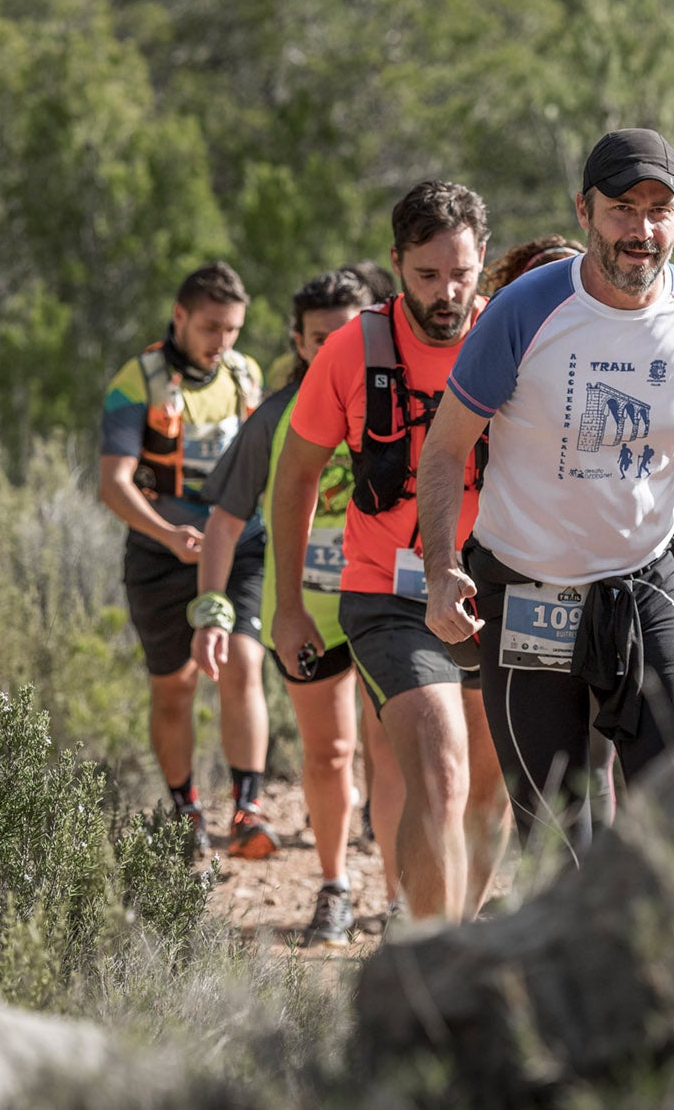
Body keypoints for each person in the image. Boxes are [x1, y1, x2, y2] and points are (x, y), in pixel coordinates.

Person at [417, 128, 674, 858]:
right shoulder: (525, 310)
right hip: (526, 590)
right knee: (560, 843)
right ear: (585, 210)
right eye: (623, 207)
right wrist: (441, 567)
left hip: (641, 583)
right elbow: (444, 449)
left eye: (660, 209)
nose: (642, 229)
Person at [270, 181, 513, 924]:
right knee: (439, 770)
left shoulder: (512, 339)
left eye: (463, 274)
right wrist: (286, 606)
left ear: (484, 263)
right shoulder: (351, 351)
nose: (447, 294)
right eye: (427, 275)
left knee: (486, 789)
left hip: (498, 587)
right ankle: (423, 957)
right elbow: (297, 474)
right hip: (388, 593)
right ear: (397, 262)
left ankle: (458, 944)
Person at [192, 267, 395, 946]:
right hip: (304, 613)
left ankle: (397, 896)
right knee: (329, 753)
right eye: (317, 338)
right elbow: (224, 520)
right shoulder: (276, 416)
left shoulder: (401, 401)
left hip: (389, 601)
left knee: (388, 753)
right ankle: (335, 885)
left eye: (347, 332)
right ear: (299, 342)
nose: (333, 348)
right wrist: (212, 613)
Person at [99, 261, 273, 858]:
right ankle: (185, 809)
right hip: (161, 556)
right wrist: (168, 533)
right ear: (179, 317)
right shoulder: (137, 380)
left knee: (242, 666)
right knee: (175, 687)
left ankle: (247, 808)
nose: (221, 342)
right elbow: (114, 484)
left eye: (232, 329)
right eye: (209, 328)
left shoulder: (246, 375)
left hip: (241, 547)